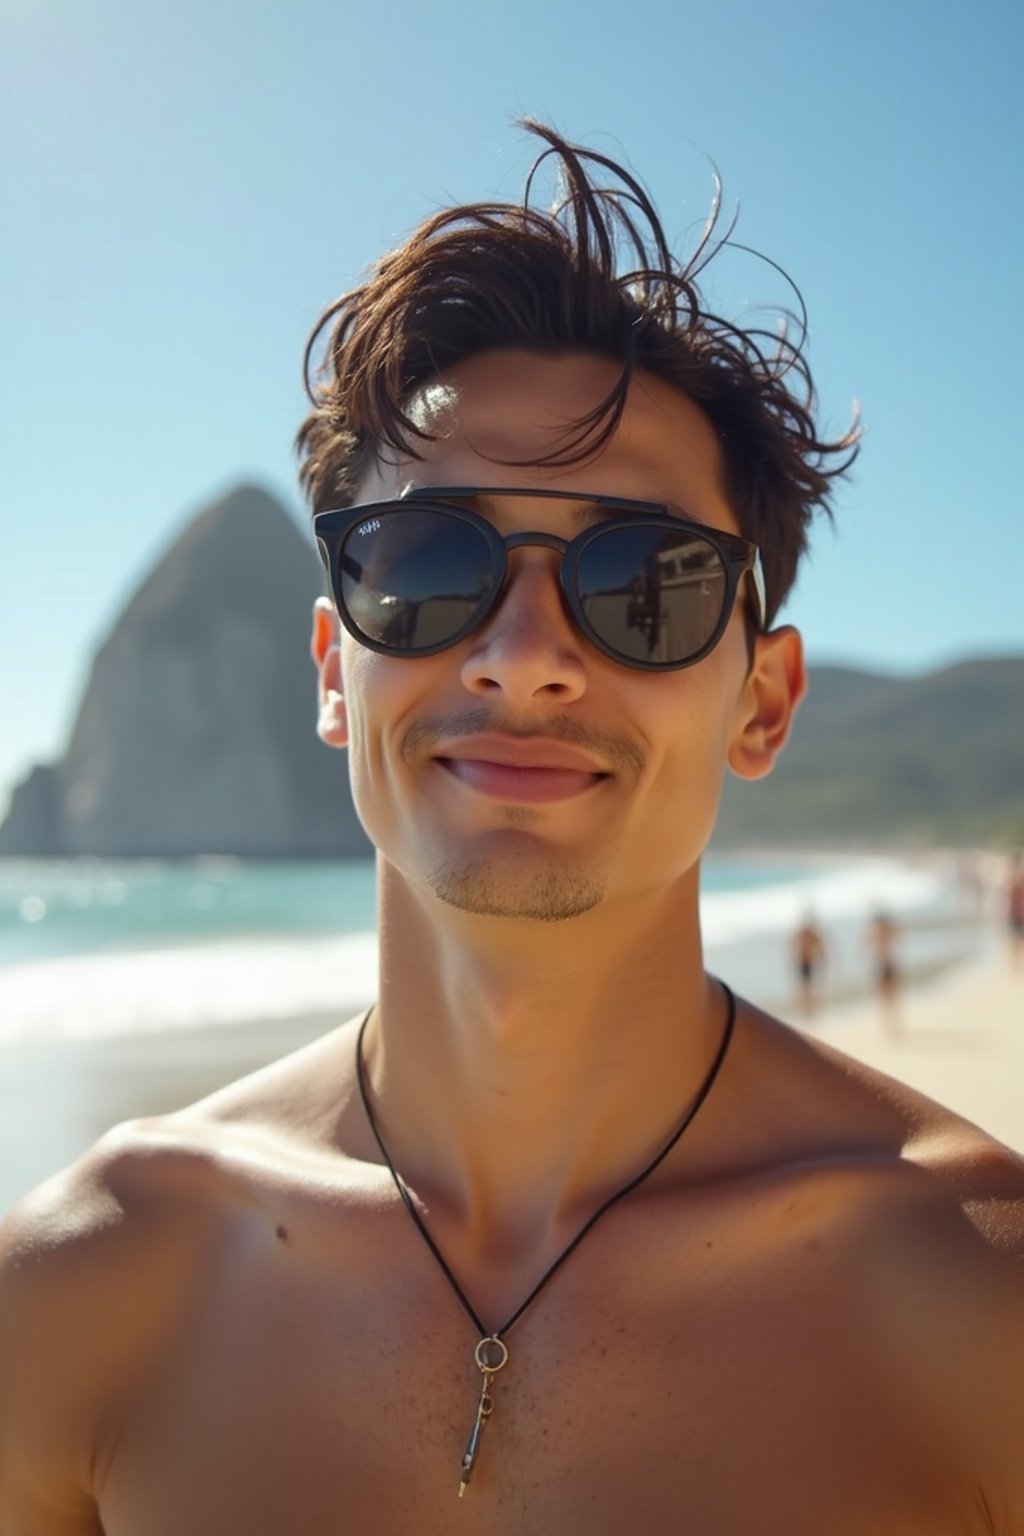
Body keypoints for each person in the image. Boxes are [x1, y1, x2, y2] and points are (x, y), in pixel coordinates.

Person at [2, 121, 1023, 1533]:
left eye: (642, 583)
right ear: (331, 673)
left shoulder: (978, 1304)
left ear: (764, 704)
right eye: (427, 568)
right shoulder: (83, 1289)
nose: (522, 656)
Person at [790, 912, 827, 1019]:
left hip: (807, 963)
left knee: (808, 988)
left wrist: (823, 960)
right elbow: (795, 946)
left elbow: (820, 947)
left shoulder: (808, 933)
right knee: (806, 988)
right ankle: (806, 1011)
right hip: (804, 963)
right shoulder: (807, 933)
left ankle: (809, 1011)